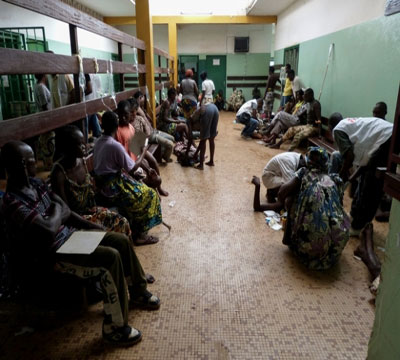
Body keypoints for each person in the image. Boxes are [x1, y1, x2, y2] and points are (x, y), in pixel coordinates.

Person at [1, 140, 160, 346]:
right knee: (109, 258)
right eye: (33, 161)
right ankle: (115, 328)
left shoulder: (37, 185)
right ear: (22, 164)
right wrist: (58, 213)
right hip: (54, 254)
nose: (37, 164)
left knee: (119, 241)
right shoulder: (12, 203)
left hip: (70, 237)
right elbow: (50, 228)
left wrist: (92, 227)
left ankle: (137, 291)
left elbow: (63, 214)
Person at [93, 111, 163, 246]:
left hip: (104, 183)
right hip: (113, 187)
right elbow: (133, 168)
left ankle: (136, 227)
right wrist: (143, 150)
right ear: (116, 125)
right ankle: (141, 235)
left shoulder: (98, 142)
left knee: (140, 183)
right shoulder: (114, 145)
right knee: (149, 194)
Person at [50, 125, 132, 239]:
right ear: (68, 148)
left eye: (84, 142)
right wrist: (92, 225)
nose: (84, 147)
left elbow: (93, 188)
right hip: (76, 221)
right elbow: (66, 212)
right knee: (112, 233)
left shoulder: (81, 161)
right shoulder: (59, 174)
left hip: (90, 211)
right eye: (79, 144)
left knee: (123, 222)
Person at [278, 147, 350, 270]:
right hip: (335, 251)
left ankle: (291, 241)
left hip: (309, 253)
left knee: (290, 199)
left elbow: (281, 193)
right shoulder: (335, 180)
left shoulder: (304, 173)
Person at [328, 106, 393, 235]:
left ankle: (357, 227)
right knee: (364, 181)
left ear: (330, 127)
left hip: (387, 139)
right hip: (388, 136)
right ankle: (355, 218)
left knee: (370, 186)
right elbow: (365, 163)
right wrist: (351, 179)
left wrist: (340, 178)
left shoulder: (338, 130)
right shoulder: (349, 127)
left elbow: (350, 156)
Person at [116, 100, 168, 197]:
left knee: (153, 164)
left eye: (127, 114)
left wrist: (147, 169)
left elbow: (136, 152)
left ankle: (158, 188)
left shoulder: (131, 127)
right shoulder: (117, 131)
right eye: (121, 115)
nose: (124, 117)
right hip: (129, 167)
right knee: (151, 189)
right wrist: (143, 151)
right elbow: (129, 162)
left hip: (137, 155)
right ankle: (153, 191)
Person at [132, 92, 175, 163]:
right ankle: (165, 157)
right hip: (150, 135)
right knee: (170, 144)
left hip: (154, 131)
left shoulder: (141, 108)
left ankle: (162, 153)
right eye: (143, 98)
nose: (145, 100)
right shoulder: (136, 109)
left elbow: (149, 119)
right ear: (140, 98)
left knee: (172, 138)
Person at [189, 103, 219, 170]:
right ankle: (211, 161)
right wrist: (196, 153)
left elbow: (202, 141)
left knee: (204, 139)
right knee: (211, 139)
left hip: (207, 112)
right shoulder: (197, 114)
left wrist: (195, 154)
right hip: (215, 109)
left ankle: (201, 165)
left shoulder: (193, 118)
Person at [33, 73, 54, 170]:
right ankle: (49, 164)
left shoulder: (37, 86)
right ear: (44, 76)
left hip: (43, 117)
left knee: (46, 140)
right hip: (45, 118)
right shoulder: (41, 87)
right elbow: (44, 105)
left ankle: (48, 163)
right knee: (48, 140)